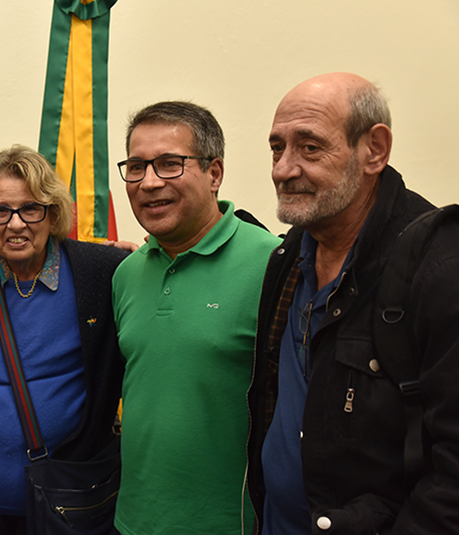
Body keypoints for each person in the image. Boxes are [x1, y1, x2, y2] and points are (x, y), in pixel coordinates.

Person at [247, 73, 459, 534]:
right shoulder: (288, 257)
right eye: (276, 148)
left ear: (374, 151)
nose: (283, 170)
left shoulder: (438, 268)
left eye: (309, 147)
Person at [112, 101, 281, 535]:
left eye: (169, 164)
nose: (149, 182)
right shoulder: (127, 273)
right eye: (136, 166)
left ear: (214, 173)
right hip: (132, 520)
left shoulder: (272, 265)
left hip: (230, 525)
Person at [0, 145, 128, 534]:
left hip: (68, 502)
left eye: (30, 208)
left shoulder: (100, 271)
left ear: (53, 213)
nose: (15, 224)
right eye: (0, 211)